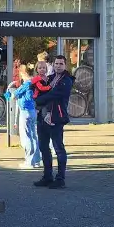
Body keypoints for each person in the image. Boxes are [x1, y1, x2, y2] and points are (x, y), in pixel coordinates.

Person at [34, 55, 74, 189]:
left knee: (58, 149)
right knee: (43, 148)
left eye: (61, 64)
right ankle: (47, 176)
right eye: (56, 63)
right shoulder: (49, 78)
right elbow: (38, 92)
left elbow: (54, 95)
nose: (58, 66)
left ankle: (60, 179)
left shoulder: (66, 80)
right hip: (42, 118)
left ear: (65, 65)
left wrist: (39, 100)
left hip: (57, 118)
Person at [5, 65, 40, 169]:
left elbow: (13, 95)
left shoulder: (26, 84)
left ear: (23, 73)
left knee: (27, 136)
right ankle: (37, 160)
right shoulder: (35, 82)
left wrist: (8, 94)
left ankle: (29, 162)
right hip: (33, 111)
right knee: (34, 136)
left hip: (25, 112)